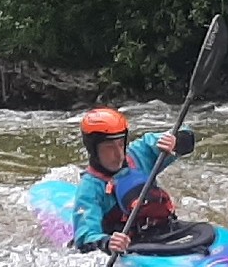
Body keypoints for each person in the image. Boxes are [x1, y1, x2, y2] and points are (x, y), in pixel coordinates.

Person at [73, 106, 197, 254]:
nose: (118, 154)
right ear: (93, 149)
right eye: (109, 148)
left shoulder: (139, 152)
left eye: (120, 144)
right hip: (128, 244)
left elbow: (186, 134)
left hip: (160, 231)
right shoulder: (90, 189)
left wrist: (176, 142)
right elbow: (85, 237)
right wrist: (108, 243)